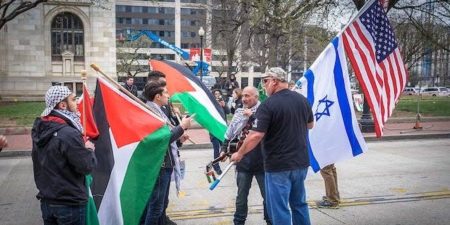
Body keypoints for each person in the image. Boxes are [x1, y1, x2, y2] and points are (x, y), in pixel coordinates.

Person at [231, 67, 314, 225]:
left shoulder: (268, 105)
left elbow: (256, 135)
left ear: (275, 81)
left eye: (265, 81)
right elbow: (310, 125)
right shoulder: (302, 100)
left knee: (279, 208)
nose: (264, 85)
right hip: (300, 163)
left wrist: (239, 153)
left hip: (278, 166)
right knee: (299, 204)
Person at [31, 85, 97, 225]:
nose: (77, 102)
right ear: (62, 105)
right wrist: (89, 150)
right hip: (69, 203)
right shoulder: (68, 133)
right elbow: (86, 166)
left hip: (47, 201)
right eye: (73, 100)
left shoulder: (40, 128)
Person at [141, 81, 192, 225]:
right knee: (155, 207)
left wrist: (179, 137)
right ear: (158, 96)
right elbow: (162, 140)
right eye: (166, 93)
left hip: (164, 164)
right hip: (159, 165)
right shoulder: (151, 113)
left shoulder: (159, 111)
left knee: (160, 205)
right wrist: (181, 127)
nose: (168, 96)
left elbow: (167, 137)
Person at [220, 86, 271, 225]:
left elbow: (267, 130)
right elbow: (230, 132)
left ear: (256, 97)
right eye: (243, 96)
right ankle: (239, 221)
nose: (244, 99)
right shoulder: (239, 112)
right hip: (243, 162)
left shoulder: (264, 111)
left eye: (248, 96)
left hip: (262, 162)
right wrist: (224, 148)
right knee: (241, 196)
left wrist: (252, 116)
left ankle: (270, 221)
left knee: (268, 197)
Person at [210, 89, 229, 175]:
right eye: (215, 94)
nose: (217, 95)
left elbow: (228, 112)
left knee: (224, 147)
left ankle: (229, 161)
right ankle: (216, 166)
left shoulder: (222, 102)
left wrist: (224, 106)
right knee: (216, 148)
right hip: (214, 129)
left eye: (218, 94)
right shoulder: (211, 103)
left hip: (222, 129)